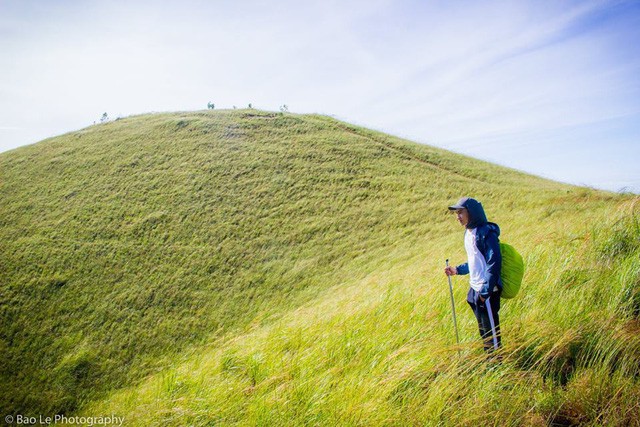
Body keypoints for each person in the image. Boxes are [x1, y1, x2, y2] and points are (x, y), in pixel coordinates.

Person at [444, 197, 502, 352]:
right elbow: (475, 261)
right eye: (456, 213)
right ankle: (490, 362)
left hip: (486, 290)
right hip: (475, 289)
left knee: (492, 335)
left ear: (472, 212)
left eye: (460, 212)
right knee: (484, 331)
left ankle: (497, 364)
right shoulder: (468, 233)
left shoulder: (486, 233)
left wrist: (485, 292)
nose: (458, 217)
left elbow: (494, 263)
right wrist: (457, 270)